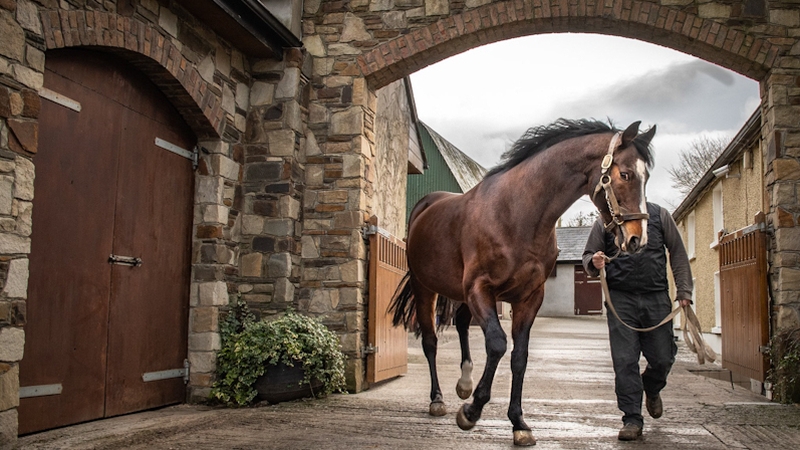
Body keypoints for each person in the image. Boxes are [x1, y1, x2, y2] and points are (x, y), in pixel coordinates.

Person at [582, 202, 693, 441]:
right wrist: (595, 261)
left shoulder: (660, 215)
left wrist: (684, 291)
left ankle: (652, 388)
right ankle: (632, 418)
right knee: (624, 362)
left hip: (656, 297)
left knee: (663, 358)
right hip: (620, 300)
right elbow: (588, 256)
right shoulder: (605, 220)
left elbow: (678, 251)